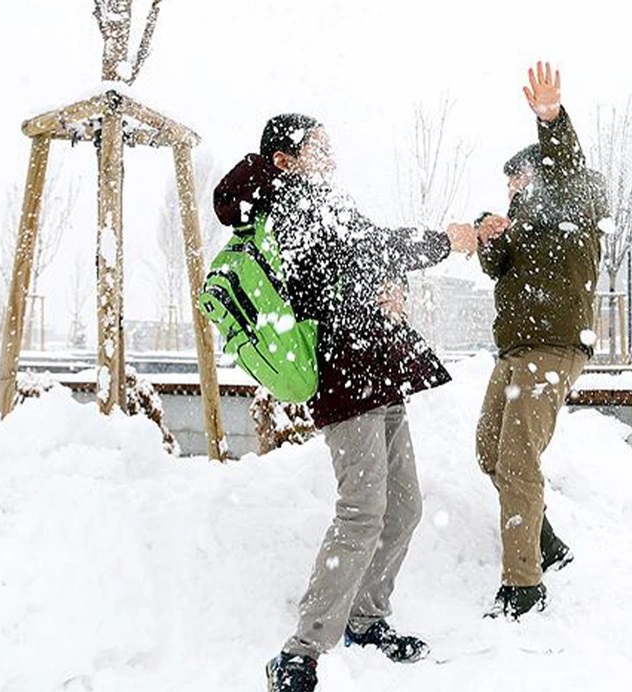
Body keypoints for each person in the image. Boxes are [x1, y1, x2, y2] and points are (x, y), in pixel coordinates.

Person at [212, 114, 478, 692]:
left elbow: (363, 263)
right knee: (362, 510)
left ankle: (366, 619)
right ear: (285, 160)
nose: (331, 155)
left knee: (403, 507)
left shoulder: (320, 199)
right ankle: (301, 651)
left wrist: (391, 288)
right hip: (344, 376)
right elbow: (368, 251)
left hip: (376, 370)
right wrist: (443, 242)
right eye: (318, 147)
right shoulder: (287, 204)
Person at [473, 62, 609, 619]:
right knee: (490, 450)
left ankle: (523, 586)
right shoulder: (521, 224)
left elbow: (568, 167)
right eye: (508, 183)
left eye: (519, 179)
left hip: (553, 348)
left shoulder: (574, 202)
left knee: (518, 459)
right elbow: (496, 267)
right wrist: (488, 233)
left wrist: (550, 119)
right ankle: (545, 540)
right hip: (516, 351)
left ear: (542, 174)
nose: (513, 188)